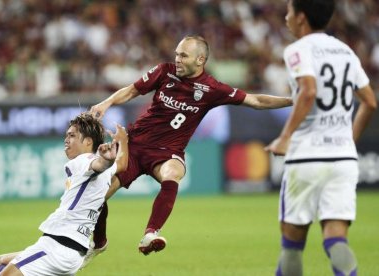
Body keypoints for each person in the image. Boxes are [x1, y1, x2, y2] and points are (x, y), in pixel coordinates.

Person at [85, 35, 293, 262]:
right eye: (177, 54)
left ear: (200, 59)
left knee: (172, 173)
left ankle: (151, 233)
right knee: (97, 197)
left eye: (183, 55)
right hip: (134, 145)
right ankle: (100, 242)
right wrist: (106, 103)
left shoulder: (212, 89)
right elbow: (133, 90)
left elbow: (256, 101)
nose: (178, 59)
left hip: (167, 152)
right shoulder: (165, 71)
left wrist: (294, 100)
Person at [265, 1, 377, 275]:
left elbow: (308, 91)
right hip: (343, 159)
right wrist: (348, 140)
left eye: (289, 11)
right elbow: (370, 102)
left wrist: (285, 136)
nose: (286, 17)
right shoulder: (346, 52)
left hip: (307, 156)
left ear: (301, 17)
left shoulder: (297, 50)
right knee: (336, 240)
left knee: (292, 244)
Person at [0, 114, 128, 276]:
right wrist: (123, 141)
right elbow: (121, 164)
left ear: (88, 142)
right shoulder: (107, 170)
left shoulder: (83, 161)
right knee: (0, 261)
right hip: (71, 251)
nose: (66, 140)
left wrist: (105, 161)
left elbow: (97, 164)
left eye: (72, 136)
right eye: (66, 136)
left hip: (58, 247)